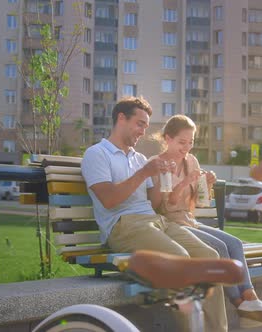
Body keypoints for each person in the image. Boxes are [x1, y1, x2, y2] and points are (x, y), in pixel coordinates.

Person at [81, 97, 228, 332]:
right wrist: (144, 173)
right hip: (124, 226)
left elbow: (155, 203)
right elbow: (108, 200)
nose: (143, 131)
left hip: (154, 221)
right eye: (140, 124)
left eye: (146, 126)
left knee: (210, 256)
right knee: (180, 259)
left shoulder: (139, 158)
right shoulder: (97, 154)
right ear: (121, 118)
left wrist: (165, 177)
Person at [150, 115, 262, 329]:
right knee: (218, 247)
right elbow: (162, 208)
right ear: (167, 138)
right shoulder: (158, 165)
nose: (187, 147)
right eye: (182, 142)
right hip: (171, 223)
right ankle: (239, 304)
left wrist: (206, 186)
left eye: (190, 142)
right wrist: (183, 185)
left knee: (234, 243)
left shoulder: (191, 161)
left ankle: (250, 297)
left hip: (189, 220)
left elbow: (198, 202)